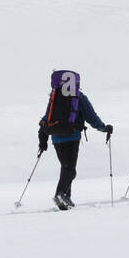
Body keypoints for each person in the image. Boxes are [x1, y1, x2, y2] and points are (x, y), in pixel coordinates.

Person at [38, 69, 113, 210]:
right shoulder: (79, 97)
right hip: (72, 137)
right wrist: (104, 128)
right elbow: (92, 117)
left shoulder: (55, 98)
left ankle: (65, 200)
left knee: (65, 167)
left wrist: (42, 139)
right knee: (70, 170)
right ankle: (61, 194)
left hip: (56, 138)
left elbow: (47, 118)